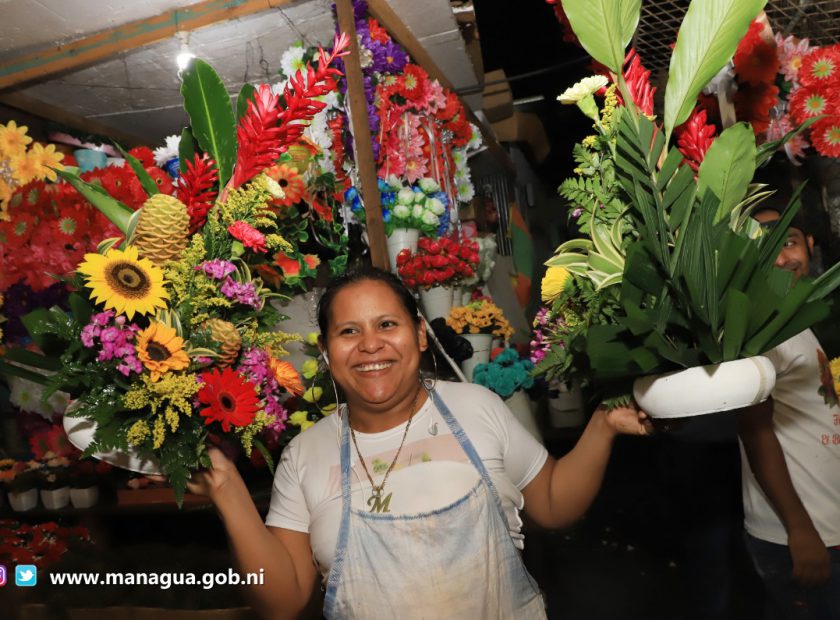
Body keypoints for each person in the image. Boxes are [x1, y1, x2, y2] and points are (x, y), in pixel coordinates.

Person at [184, 266, 652, 619]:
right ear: (326, 355)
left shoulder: (477, 407)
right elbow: (283, 601)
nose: (370, 345)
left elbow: (551, 503)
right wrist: (229, 493)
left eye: (387, 324)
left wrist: (602, 426)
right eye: (349, 331)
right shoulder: (305, 455)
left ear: (421, 335)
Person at [738, 206, 840, 620]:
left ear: (809, 245)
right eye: (765, 247)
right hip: (798, 535)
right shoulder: (758, 327)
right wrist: (799, 530)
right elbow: (755, 431)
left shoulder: (800, 317)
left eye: (790, 241)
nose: (781, 258)